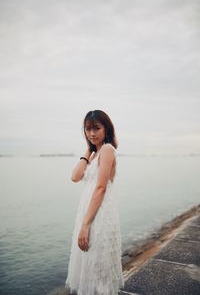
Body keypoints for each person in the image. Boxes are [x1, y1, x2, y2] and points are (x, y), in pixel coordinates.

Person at [65, 110, 124, 295]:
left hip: (99, 213)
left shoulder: (107, 150)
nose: (92, 133)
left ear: (106, 128)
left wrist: (86, 224)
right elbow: (75, 177)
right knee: (89, 263)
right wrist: (88, 151)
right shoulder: (95, 152)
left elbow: (101, 188)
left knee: (99, 266)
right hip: (89, 211)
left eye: (97, 128)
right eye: (88, 129)